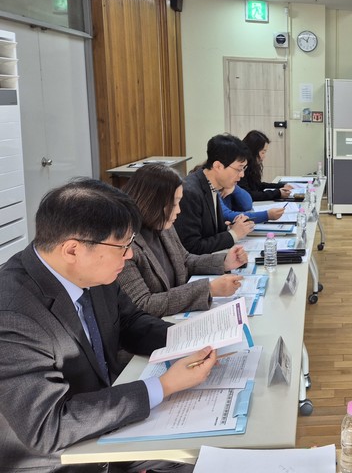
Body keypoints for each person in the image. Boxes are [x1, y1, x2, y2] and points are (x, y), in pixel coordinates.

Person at [0, 178, 217, 472]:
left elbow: (129, 321)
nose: (129, 255)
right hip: (60, 458)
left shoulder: (91, 272)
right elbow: (48, 426)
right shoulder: (13, 313)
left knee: (212, 448)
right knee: (201, 461)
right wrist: (164, 385)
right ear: (72, 250)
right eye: (122, 246)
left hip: (106, 419)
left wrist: (193, 338)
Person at [117, 164, 250, 318]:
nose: (179, 210)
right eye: (174, 204)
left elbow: (185, 260)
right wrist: (209, 289)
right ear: (153, 203)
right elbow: (144, 304)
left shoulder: (162, 225)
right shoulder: (124, 245)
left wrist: (224, 262)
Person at [174, 133, 255, 255]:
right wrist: (233, 234)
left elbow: (208, 232)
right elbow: (191, 247)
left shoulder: (212, 185)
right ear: (218, 166)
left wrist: (230, 228)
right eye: (239, 169)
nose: (242, 175)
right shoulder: (190, 192)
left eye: (244, 169)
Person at [239, 130, 295, 201]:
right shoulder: (241, 167)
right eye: (263, 152)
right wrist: (277, 193)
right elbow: (249, 194)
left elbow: (258, 185)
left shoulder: (251, 165)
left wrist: (281, 186)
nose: (264, 156)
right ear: (253, 151)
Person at [220, 183, 285, 224]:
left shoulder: (226, 185)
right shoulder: (215, 190)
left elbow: (247, 205)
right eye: (238, 169)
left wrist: (234, 187)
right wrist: (267, 215)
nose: (242, 175)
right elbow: (227, 216)